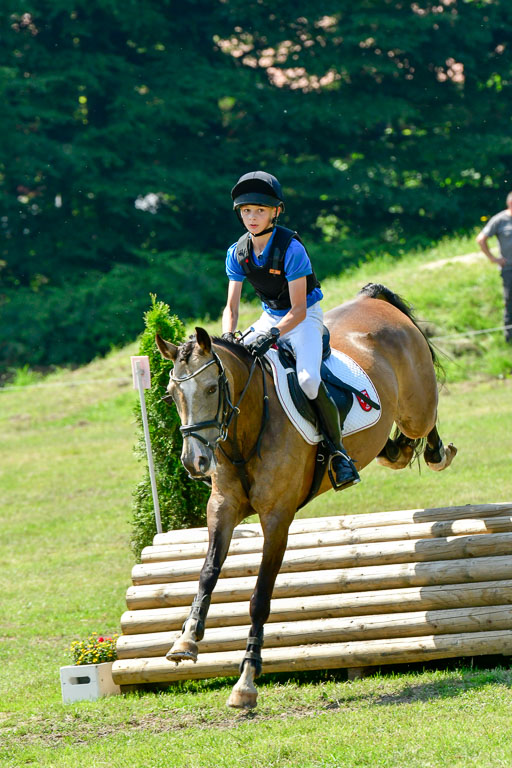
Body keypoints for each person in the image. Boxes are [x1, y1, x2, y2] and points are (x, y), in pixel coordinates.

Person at [221, 170, 360, 490]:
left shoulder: (292, 249)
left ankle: (339, 454)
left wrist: (271, 335)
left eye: (259, 210)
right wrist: (229, 337)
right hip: (269, 318)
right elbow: (231, 307)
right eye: (246, 211)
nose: (252, 217)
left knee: (309, 380)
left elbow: (298, 310)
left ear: (276, 212)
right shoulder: (236, 252)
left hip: (304, 319)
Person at [476, 191, 512, 344]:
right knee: (510, 302)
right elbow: (481, 239)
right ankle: (509, 339)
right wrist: (493, 259)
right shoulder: (499, 220)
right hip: (509, 269)